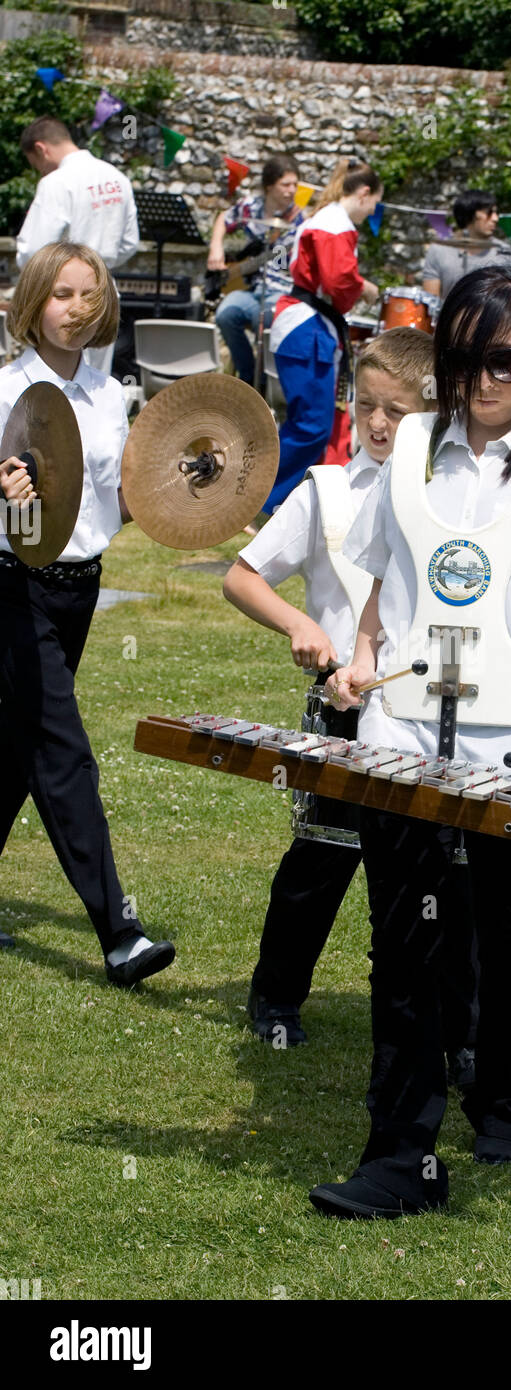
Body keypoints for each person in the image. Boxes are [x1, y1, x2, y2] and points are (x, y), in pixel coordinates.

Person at [310, 265, 511, 1218]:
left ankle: (503, 1105)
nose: (484, 379)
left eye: (506, 360)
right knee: (402, 939)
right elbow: (380, 582)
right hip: (401, 734)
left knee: (503, 926)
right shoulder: (407, 445)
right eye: (466, 358)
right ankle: (401, 1151)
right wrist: (361, 662)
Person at [223, 328, 477, 1078]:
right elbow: (242, 576)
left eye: (394, 412)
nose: (374, 424)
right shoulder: (326, 490)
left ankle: (455, 1036)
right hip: (342, 703)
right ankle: (275, 997)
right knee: (322, 860)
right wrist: (303, 625)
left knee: (447, 876)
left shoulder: (454, 499)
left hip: (434, 713)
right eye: (364, 405)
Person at [0, 243, 175, 988]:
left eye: (90, 294)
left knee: (18, 750)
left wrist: (190, 477)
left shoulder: (111, 395)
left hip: (81, 589)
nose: (77, 308)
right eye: (61, 294)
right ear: (33, 301)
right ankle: (119, 933)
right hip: (12, 586)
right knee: (63, 753)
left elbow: (117, 506)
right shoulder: (5, 387)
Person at [262, 158, 381, 515]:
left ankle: (321, 503)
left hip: (310, 325)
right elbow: (339, 282)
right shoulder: (333, 225)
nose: (375, 209)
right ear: (363, 193)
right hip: (306, 327)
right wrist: (365, 288)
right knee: (312, 424)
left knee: (326, 421)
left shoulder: (329, 219)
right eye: (376, 201)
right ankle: (264, 499)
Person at [16, 117, 139, 376]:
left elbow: (32, 251)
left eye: (35, 163)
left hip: (60, 298)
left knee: (53, 385)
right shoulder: (117, 178)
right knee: (95, 381)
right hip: (103, 292)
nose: (40, 170)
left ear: (41, 149)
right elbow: (130, 243)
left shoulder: (56, 182)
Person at [208, 155, 304, 385]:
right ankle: (247, 375)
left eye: (295, 185)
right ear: (270, 185)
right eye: (286, 185)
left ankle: (263, 385)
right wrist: (215, 248)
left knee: (267, 320)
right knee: (225, 314)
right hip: (251, 287)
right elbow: (224, 218)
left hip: (280, 289)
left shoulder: (299, 219)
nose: (292, 191)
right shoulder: (250, 206)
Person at [421, 190, 511, 301]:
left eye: (496, 213)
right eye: (489, 212)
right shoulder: (438, 251)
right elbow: (431, 302)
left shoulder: (506, 252)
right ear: (470, 214)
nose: (496, 218)